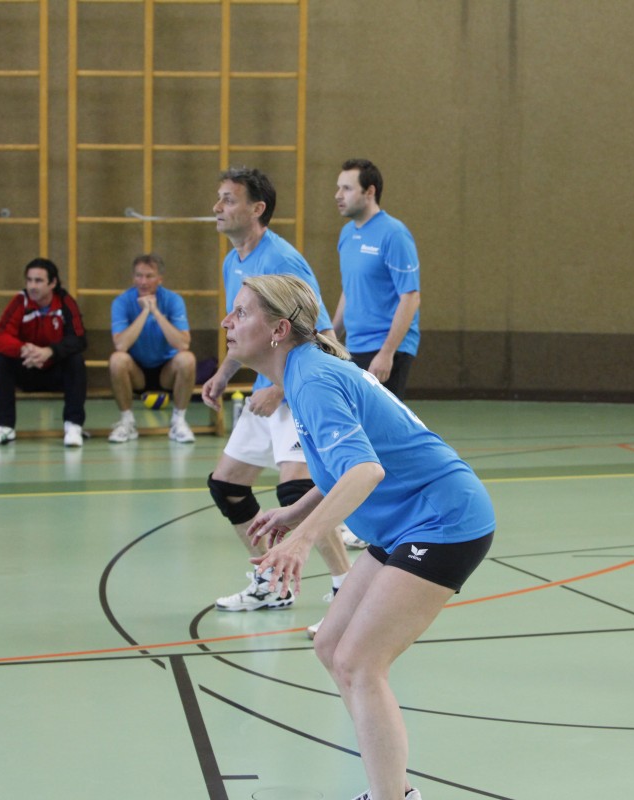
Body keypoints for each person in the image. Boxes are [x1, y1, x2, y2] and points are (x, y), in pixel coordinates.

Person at [230, 273, 494, 800]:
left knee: (360, 661)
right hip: (404, 522)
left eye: (241, 312)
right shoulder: (305, 372)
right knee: (331, 645)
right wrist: (296, 511)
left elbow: (365, 471)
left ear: (278, 330)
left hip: (443, 520)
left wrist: (304, 538)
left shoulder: (312, 379)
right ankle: (395, 789)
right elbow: (344, 463)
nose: (227, 322)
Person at [199, 167, 354, 621]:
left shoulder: (283, 260)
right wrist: (224, 374)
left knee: (296, 491)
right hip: (265, 386)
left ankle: (347, 590)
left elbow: (324, 337)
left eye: (228, 199)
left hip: (294, 387)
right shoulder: (233, 262)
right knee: (227, 486)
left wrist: (281, 389)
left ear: (257, 209)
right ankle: (271, 582)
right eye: (219, 198)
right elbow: (243, 330)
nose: (217, 207)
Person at [332, 158, 421, 399]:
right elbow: (350, 290)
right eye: (338, 188)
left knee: (379, 422)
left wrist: (387, 353)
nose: (338, 195)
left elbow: (411, 297)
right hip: (354, 347)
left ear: (369, 192)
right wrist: (330, 338)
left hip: (386, 349)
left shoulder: (394, 234)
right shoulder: (347, 234)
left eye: (347, 188)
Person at [0, 257, 88, 447]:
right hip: (28, 369)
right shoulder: (20, 301)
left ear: (53, 283)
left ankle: (73, 425)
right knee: (2, 359)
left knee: (76, 360)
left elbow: (79, 339)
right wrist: (23, 349)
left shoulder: (65, 302)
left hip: (55, 373)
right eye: (29, 280)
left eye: (38, 281)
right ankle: (4, 426)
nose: (32, 286)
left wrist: (50, 351)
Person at [107, 253, 197, 444]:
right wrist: (145, 311)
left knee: (187, 359)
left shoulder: (173, 300)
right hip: (136, 372)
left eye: (149, 276)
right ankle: (127, 422)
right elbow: (121, 345)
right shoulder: (122, 302)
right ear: (133, 278)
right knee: (117, 359)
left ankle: (179, 422)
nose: (143, 281)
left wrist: (155, 311)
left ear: (159, 279)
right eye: (139, 276)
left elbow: (183, 344)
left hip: (166, 371)